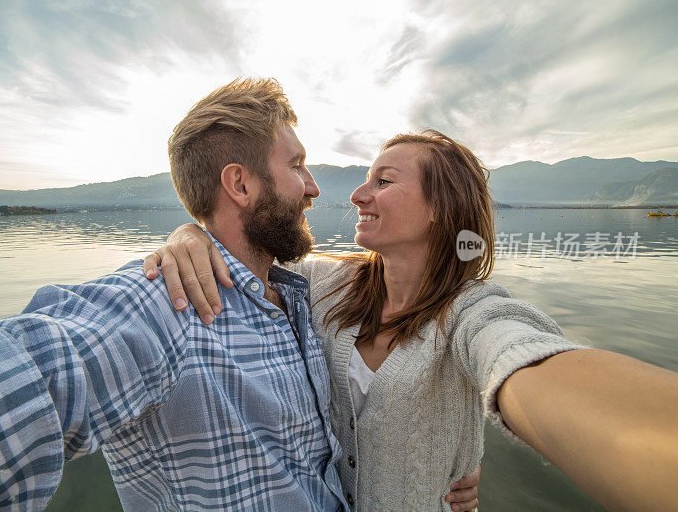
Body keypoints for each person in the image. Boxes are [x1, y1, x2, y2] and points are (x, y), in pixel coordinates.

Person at [0, 79, 480, 511]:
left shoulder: (303, 298)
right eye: (296, 165)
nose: (316, 187)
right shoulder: (170, 302)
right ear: (240, 183)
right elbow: (29, 371)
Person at [142, 130, 678, 511]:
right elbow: (244, 253)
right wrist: (189, 235)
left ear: (440, 209)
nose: (357, 194)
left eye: (383, 181)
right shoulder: (327, 284)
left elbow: (516, 350)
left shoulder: (471, 310)